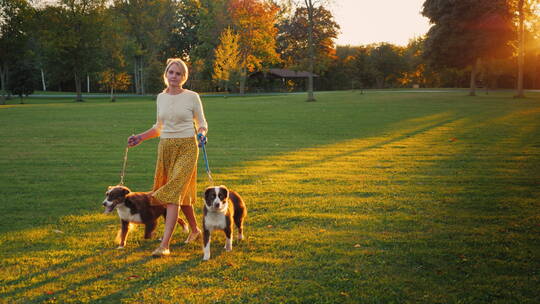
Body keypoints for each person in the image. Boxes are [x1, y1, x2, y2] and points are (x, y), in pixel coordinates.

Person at [127, 58, 207, 257]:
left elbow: (202, 123)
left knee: (172, 192)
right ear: (166, 74)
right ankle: (195, 230)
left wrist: (202, 134)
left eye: (178, 73)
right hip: (166, 148)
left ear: (184, 77)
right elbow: (158, 128)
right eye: (171, 72)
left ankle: (165, 245)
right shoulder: (160, 98)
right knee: (181, 192)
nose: (174, 76)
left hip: (188, 147)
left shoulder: (192, 97)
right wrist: (140, 138)